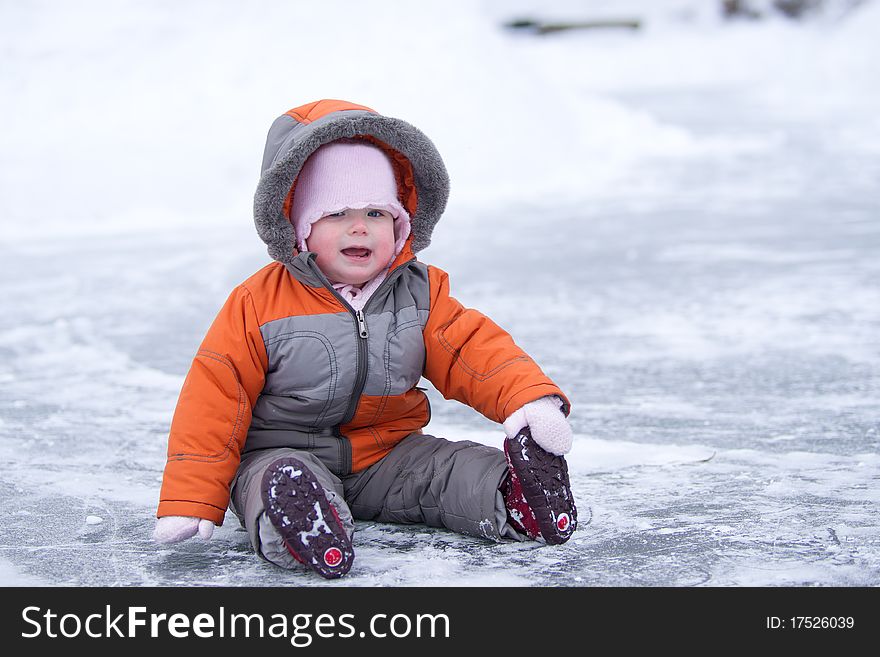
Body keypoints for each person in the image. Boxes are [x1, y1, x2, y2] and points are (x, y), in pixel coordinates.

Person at [153, 99, 577, 578]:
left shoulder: (419, 292)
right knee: (266, 484)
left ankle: (518, 500)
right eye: (337, 213)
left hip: (389, 454)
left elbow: (473, 351)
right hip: (282, 454)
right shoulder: (258, 303)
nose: (360, 226)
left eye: (377, 212)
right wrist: (191, 499)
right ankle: (300, 525)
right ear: (300, 228)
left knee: (449, 469)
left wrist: (529, 399)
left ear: (399, 224)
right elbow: (214, 399)